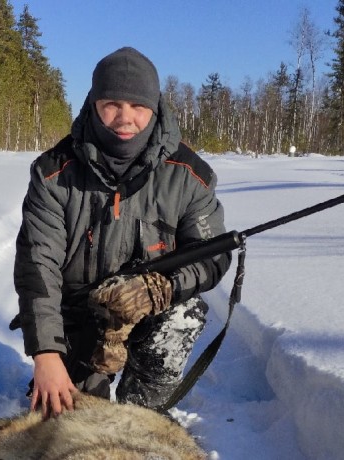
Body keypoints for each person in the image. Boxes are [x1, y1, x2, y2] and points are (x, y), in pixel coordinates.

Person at [13, 46, 231, 418]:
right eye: (112, 103)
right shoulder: (53, 173)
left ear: (155, 107)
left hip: (148, 310)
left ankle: (142, 404)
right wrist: (46, 354)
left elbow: (212, 255)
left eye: (138, 106)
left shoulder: (189, 174)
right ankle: (82, 374)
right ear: (94, 102)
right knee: (69, 417)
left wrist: (160, 288)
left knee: (184, 314)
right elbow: (38, 266)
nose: (125, 118)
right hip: (80, 314)